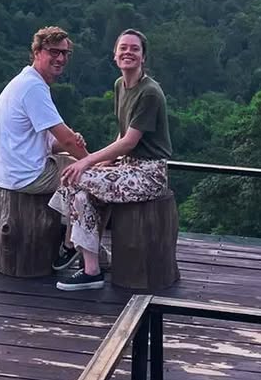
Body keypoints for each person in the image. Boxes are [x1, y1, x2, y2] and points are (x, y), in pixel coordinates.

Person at [50, 28, 172, 290]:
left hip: (149, 174)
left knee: (76, 175)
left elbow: (130, 141)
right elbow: (122, 131)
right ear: (115, 56)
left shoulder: (149, 92)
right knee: (81, 194)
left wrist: (87, 161)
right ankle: (91, 270)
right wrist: (103, 162)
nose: (128, 52)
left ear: (143, 57)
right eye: (123, 48)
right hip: (126, 167)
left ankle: (70, 242)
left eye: (134, 48)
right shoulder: (120, 85)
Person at [0, 26, 87, 194]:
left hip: (9, 175)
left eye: (65, 53)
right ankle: (75, 220)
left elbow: (55, 143)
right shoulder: (33, 87)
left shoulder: (27, 81)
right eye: (54, 52)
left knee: (72, 162)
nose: (61, 58)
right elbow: (67, 141)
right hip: (27, 176)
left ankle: (63, 216)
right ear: (37, 52)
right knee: (94, 176)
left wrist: (70, 140)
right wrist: (93, 161)